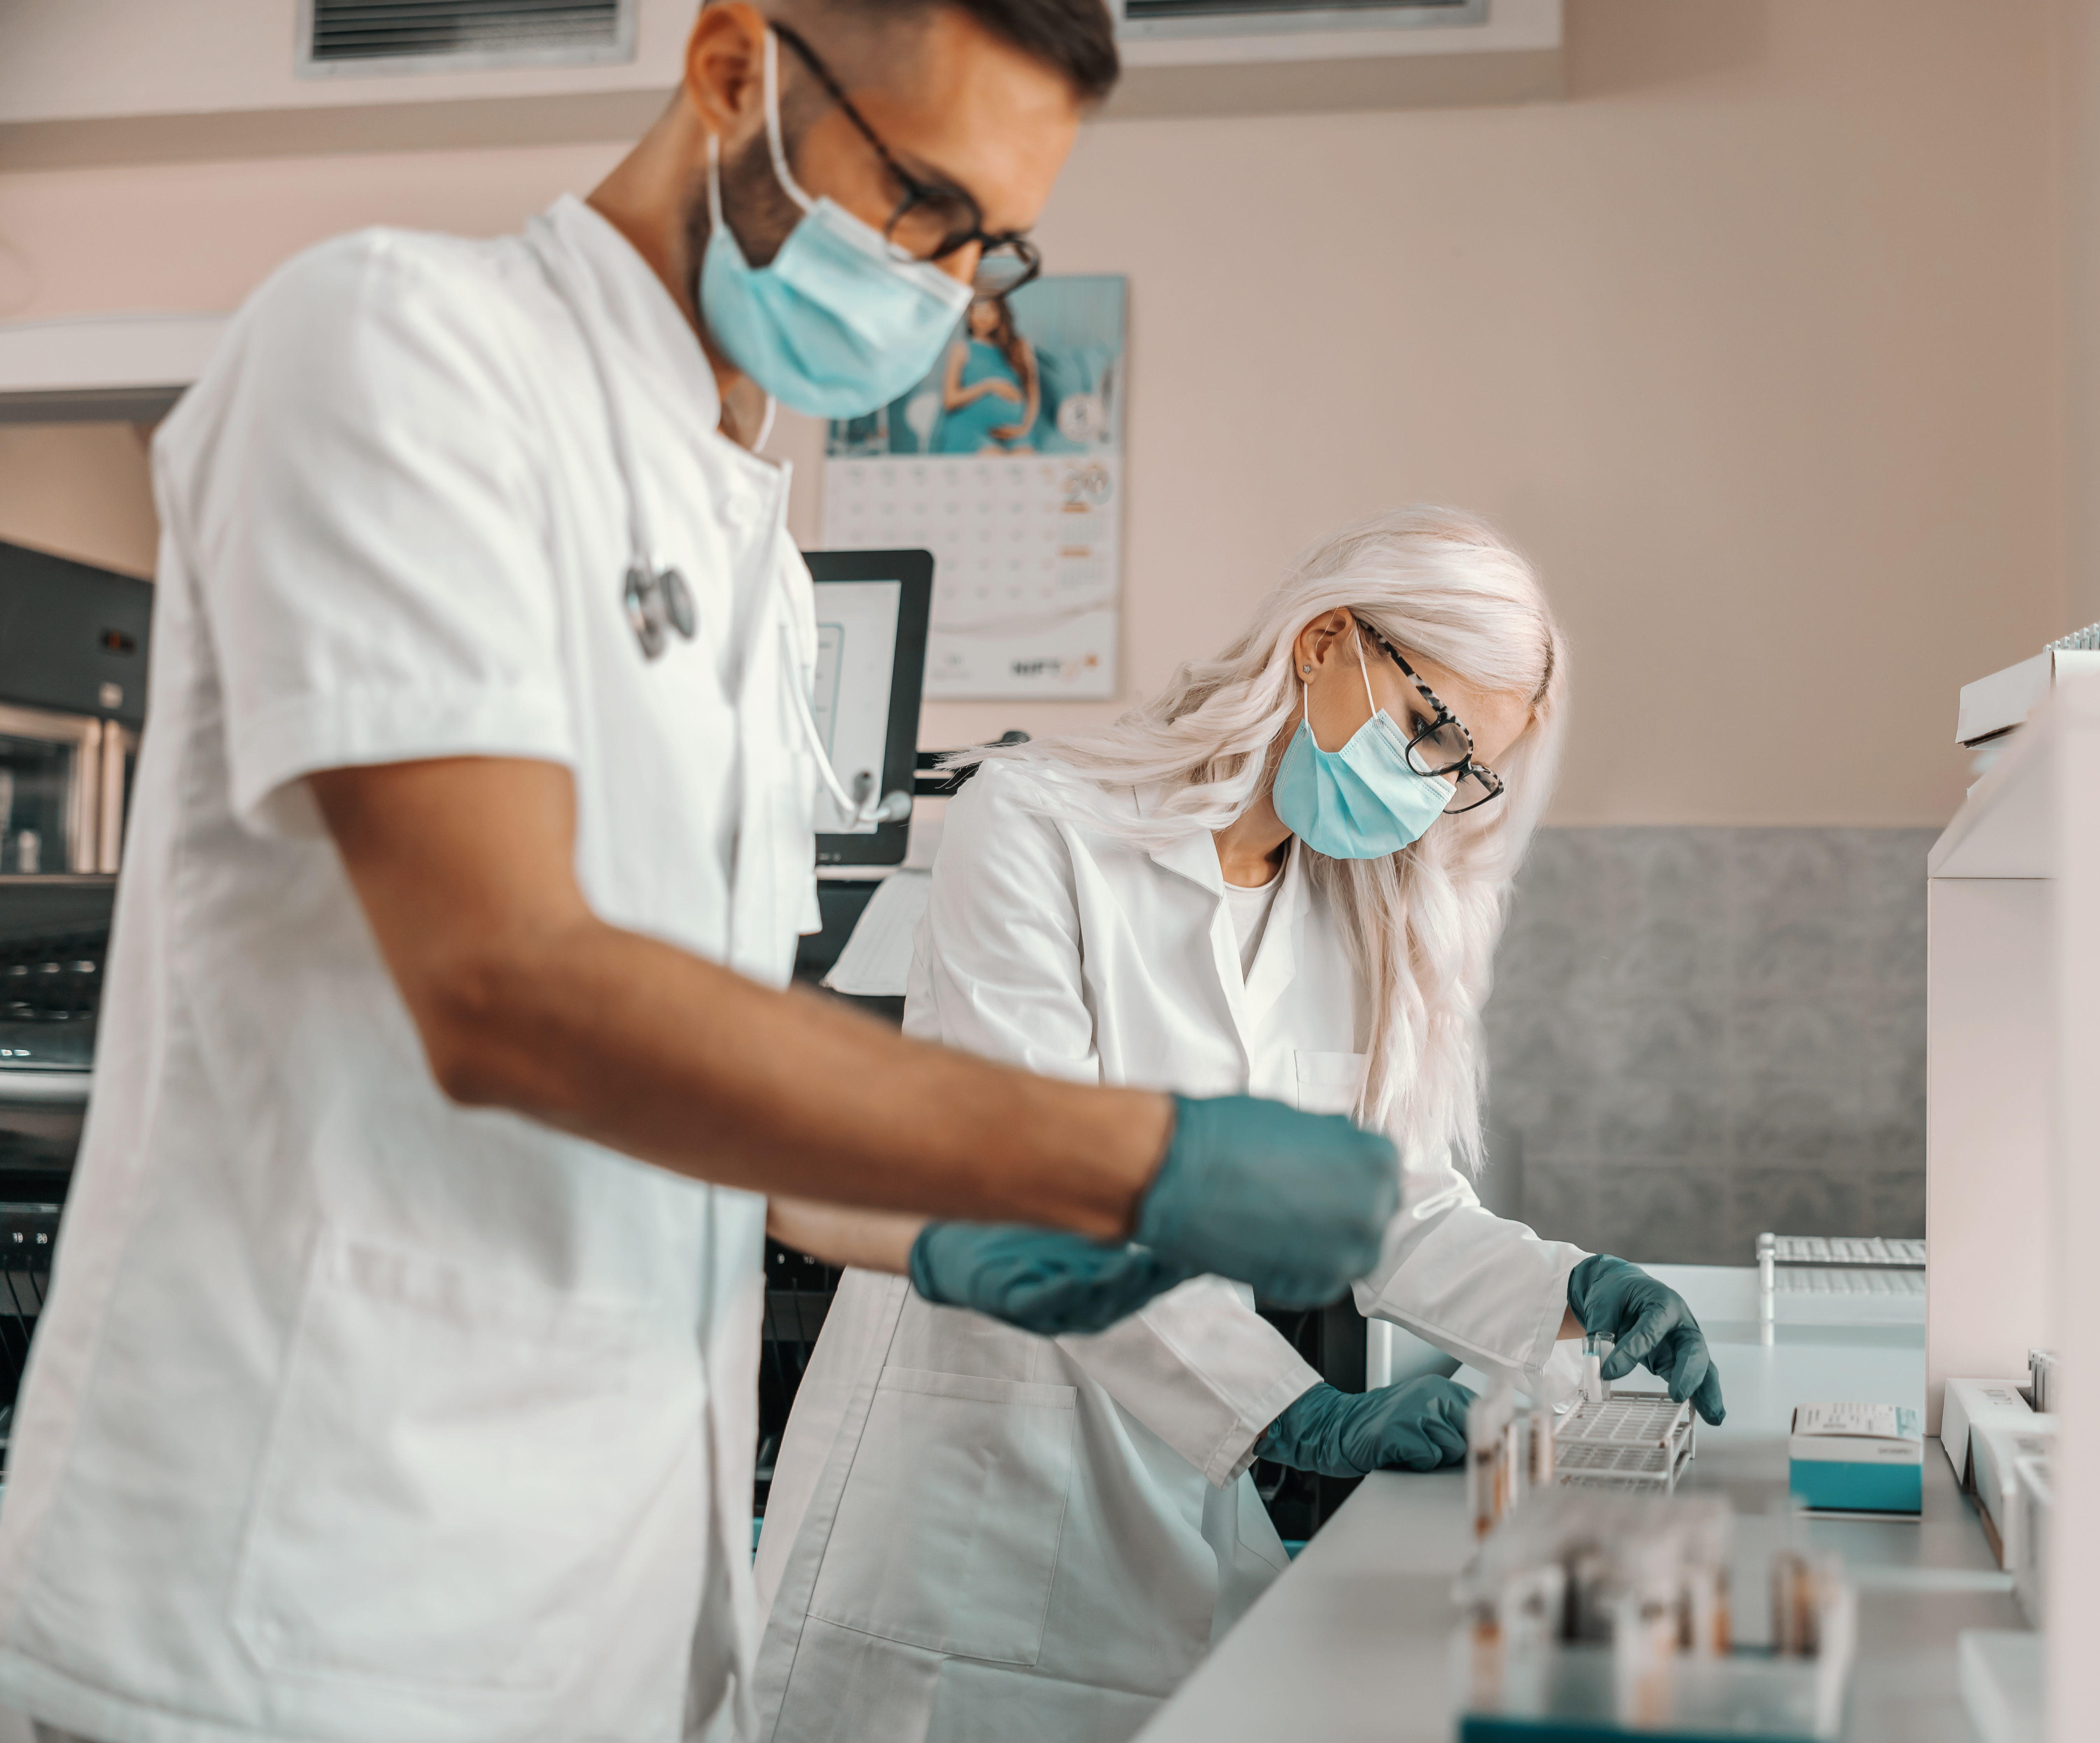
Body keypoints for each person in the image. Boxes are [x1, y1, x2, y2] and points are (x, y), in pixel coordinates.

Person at [0, 7, 1400, 1743]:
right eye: (920, 205)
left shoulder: (732, 521)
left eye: (988, 246)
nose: (947, 289)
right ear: (735, 68)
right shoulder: (397, 347)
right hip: (296, 1604)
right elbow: (515, 989)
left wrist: (929, 1229)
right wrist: (1139, 1155)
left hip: (601, 1613)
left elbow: (689, 1069)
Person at [750, 507, 1727, 1743]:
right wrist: (1293, 1410)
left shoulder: (1352, 911)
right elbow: (1038, 1184)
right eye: (1428, 731)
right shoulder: (1037, 822)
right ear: (1325, 641)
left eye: (1462, 768)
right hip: (960, 1519)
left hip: (1176, 1498)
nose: (1428, 792)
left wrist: (1569, 1288)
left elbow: (1388, 1205)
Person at [935, 293, 1038, 451]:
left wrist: (1025, 428)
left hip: (1015, 432)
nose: (983, 317)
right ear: (969, 315)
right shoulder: (961, 349)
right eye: (977, 311)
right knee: (992, 461)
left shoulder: (1020, 347)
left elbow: (1033, 393)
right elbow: (950, 400)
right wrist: (990, 386)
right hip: (971, 432)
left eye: (990, 311)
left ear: (1000, 314)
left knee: (1027, 461)